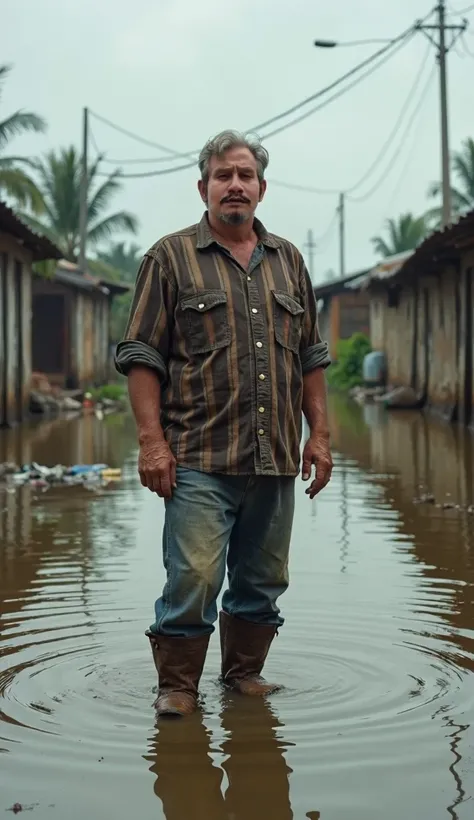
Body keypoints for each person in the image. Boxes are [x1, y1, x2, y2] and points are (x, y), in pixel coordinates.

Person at [115, 129, 333, 718]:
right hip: (197, 459)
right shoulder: (170, 256)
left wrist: (322, 437)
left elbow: (312, 355)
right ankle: (179, 688)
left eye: (245, 175)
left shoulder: (288, 260)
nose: (234, 185)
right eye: (222, 175)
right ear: (203, 187)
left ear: (262, 188)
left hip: (275, 457)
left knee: (263, 581)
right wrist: (151, 443)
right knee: (193, 579)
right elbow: (141, 355)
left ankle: (243, 677)